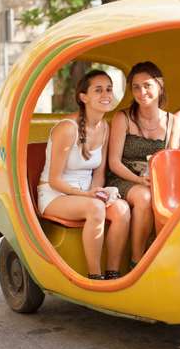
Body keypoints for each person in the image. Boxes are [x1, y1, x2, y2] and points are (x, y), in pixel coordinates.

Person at [37, 70, 130, 281]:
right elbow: (54, 180)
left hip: (86, 194)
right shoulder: (67, 129)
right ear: (83, 97)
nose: (106, 94)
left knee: (122, 209)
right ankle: (94, 276)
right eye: (98, 90)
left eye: (108, 89)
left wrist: (96, 192)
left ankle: (113, 273)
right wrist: (87, 196)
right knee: (96, 207)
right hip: (55, 195)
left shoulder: (105, 127)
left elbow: (99, 173)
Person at [107, 61, 175, 269]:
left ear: (159, 85)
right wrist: (139, 180)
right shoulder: (123, 118)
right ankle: (137, 262)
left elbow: (172, 162)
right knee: (144, 197)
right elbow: (114, 162)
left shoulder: (173, 121)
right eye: (136, 87)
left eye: (147, 85)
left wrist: (155, 182)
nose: (141, 91)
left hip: (156, 181)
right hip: (123, 178)